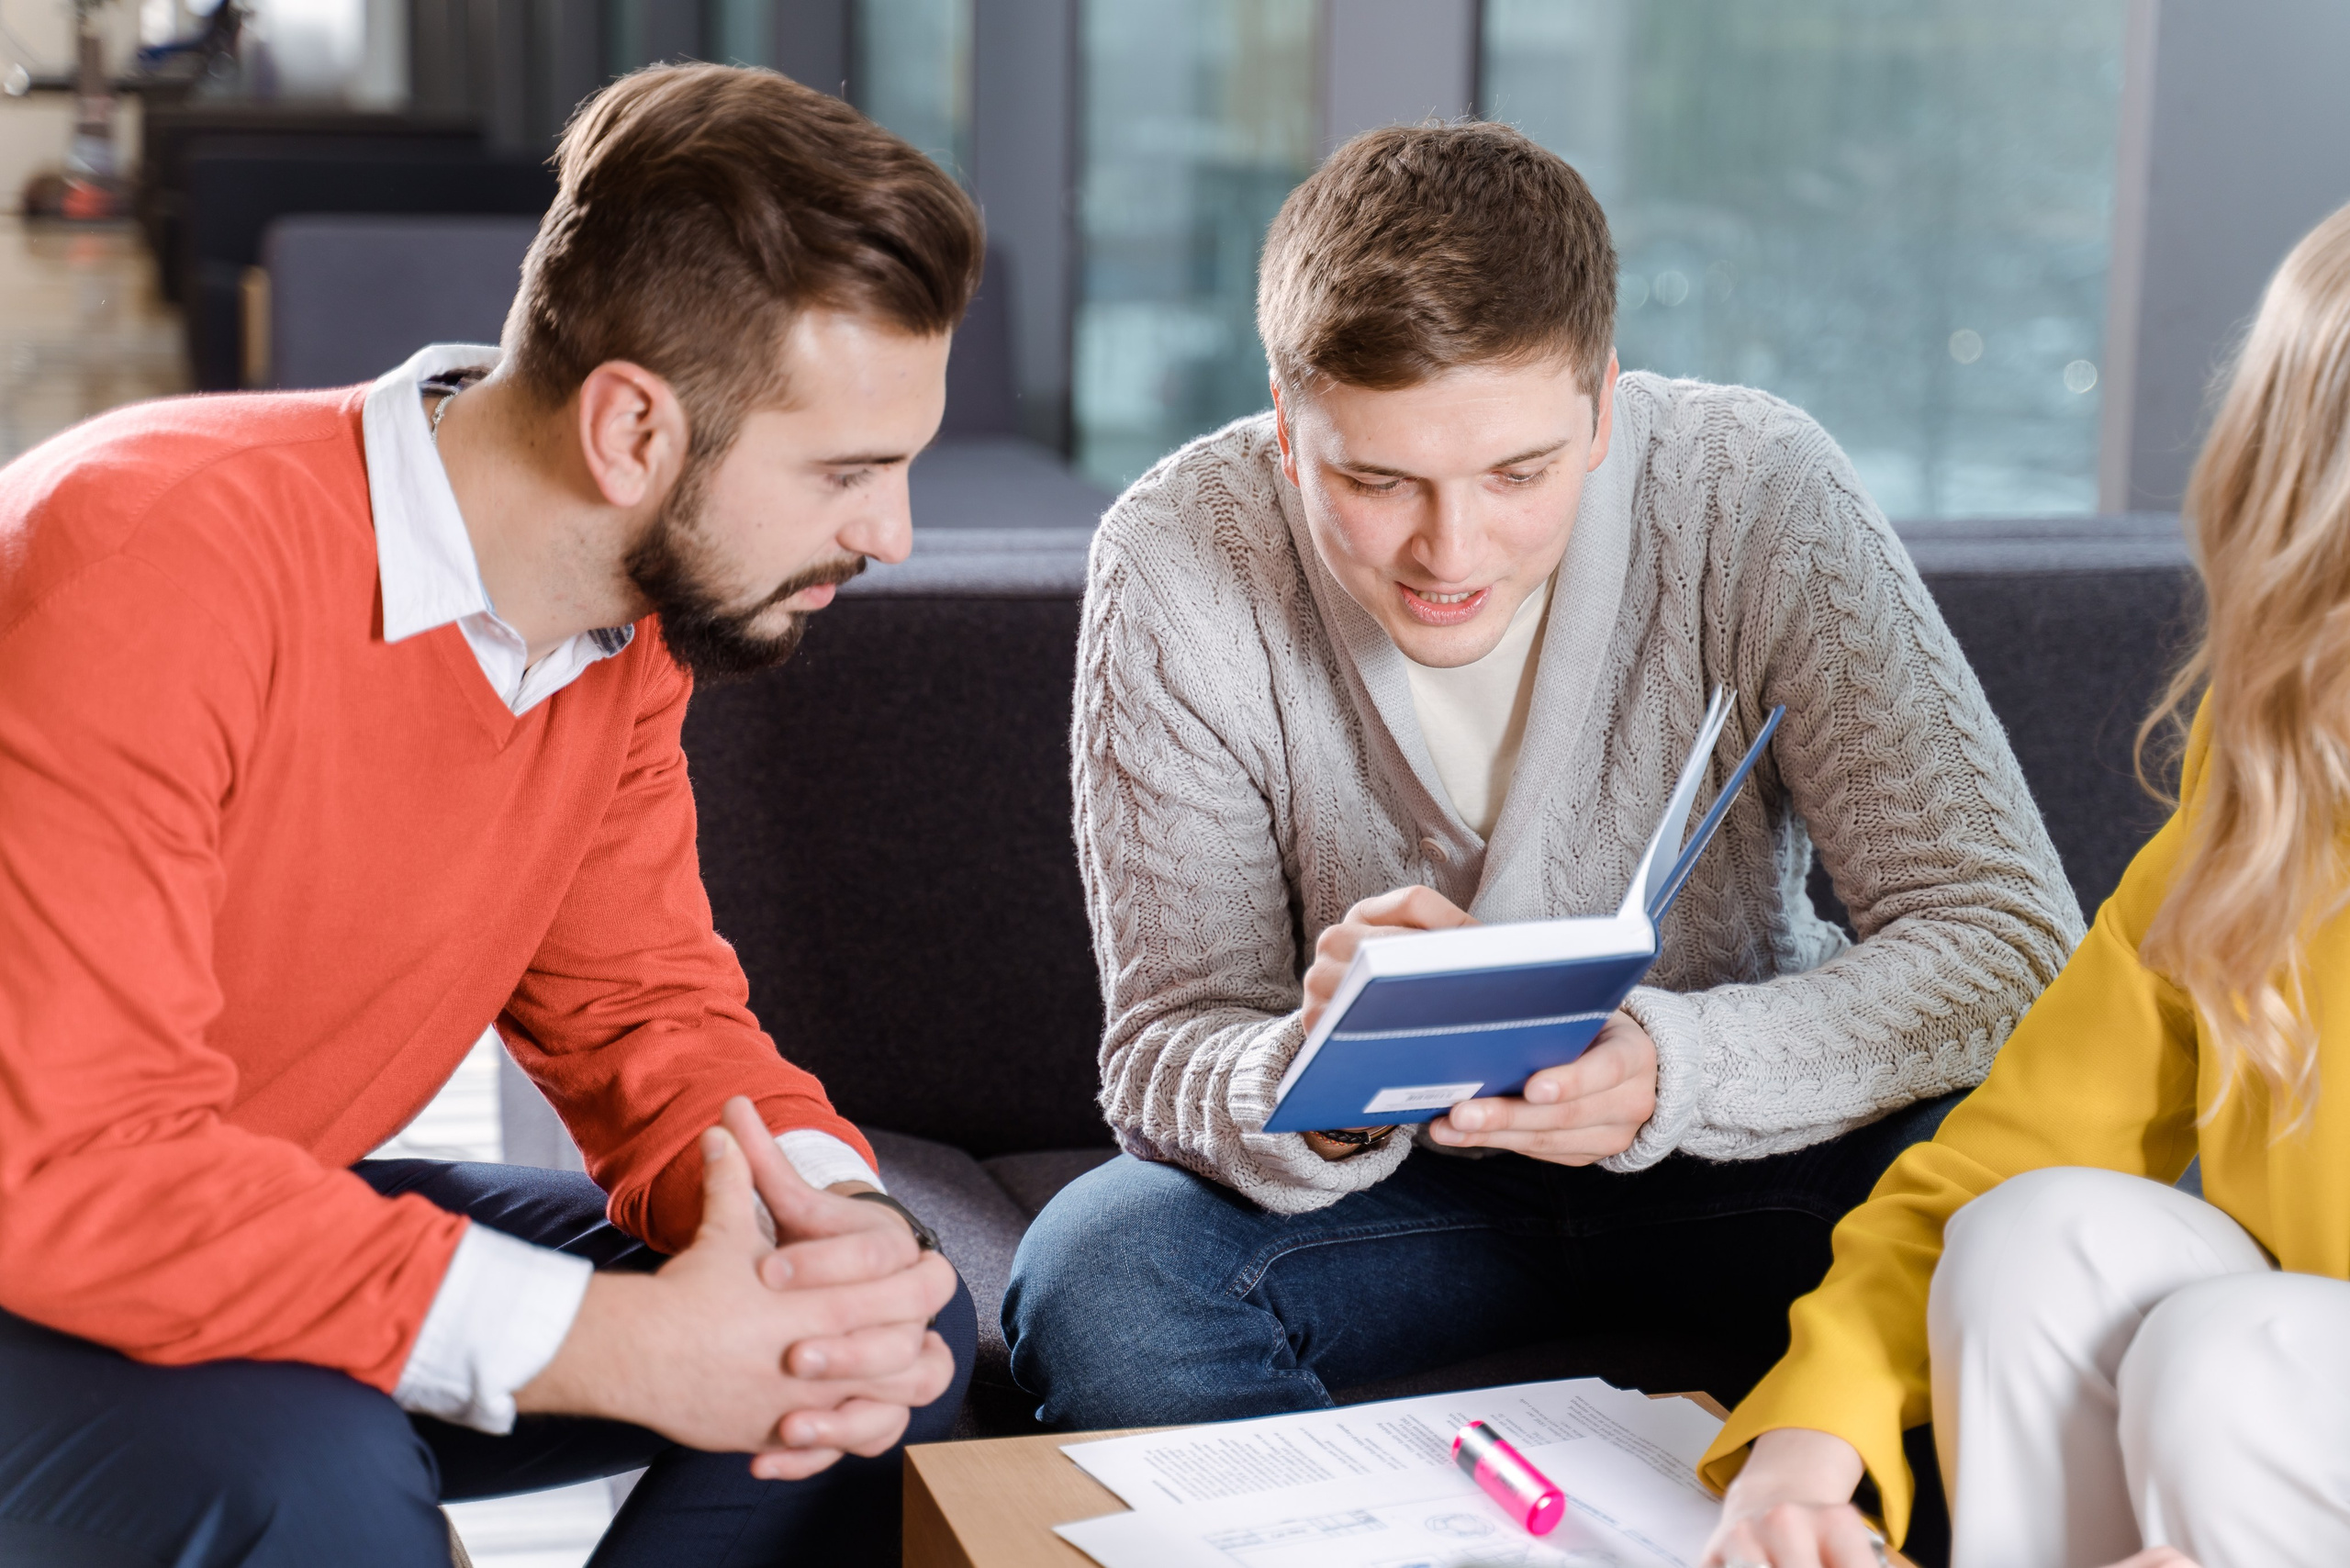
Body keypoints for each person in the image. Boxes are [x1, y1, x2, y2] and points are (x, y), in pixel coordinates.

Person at [0, 64, 981, 1566]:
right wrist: (614, 1345)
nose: (892, 535)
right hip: (44, 1221)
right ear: (633, 434)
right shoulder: (149, 556)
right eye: (849, 473)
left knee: (880, 1326)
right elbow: (75, 1163)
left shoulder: (615, 635)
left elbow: (642, 1012)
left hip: (226, 1202)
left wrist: (825, 1215)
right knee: (304, 1474)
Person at [1001, 121, 2084, 1428]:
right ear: (1289, 427)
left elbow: (2010, 940)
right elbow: (1168, 1046)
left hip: (1749, 1143)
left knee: (2041, 1214)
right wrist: (1313, 1078)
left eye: (1517, 472)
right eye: (1378, 479)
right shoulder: (1177, 555)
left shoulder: (1754, 490)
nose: (1449, 551)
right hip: (1405, 1194)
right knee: (1102, 1277)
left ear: (1601, 408)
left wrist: (1673, 1067)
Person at [1696, 201, 2350, 1568]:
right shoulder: (2278, 799)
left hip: (2279, 1396)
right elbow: (2012, 1152)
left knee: (2239, 1355)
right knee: (2037, 1240)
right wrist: (1803, 1450)